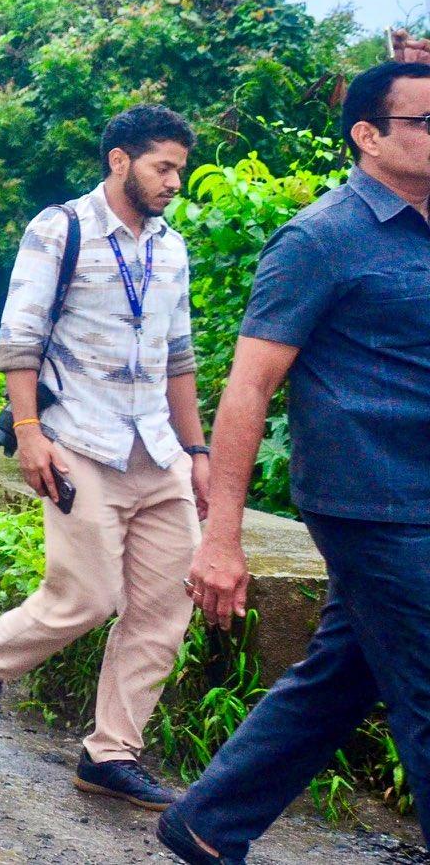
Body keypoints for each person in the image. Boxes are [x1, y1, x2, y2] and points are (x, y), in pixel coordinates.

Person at [158, 62, 430, 865]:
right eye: (426, 121)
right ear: (369, 136)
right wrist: (222, 538)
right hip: (369, 500)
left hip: (422, 494)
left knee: (348, 671)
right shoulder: (320, 238)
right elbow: (249, 388)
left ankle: (208, 821)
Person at [0, 106, 208, 809]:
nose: (174, 181)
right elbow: (20, 337)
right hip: (79, 444)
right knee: (89, 597)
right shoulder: (58, 228)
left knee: (163, 608)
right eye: (164, 166)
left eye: (179, 169)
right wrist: (30, 432)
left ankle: (110, 754)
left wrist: (198, 450)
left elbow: (179, 360)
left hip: (157, 450)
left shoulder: (172, 248)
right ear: (120, 161)